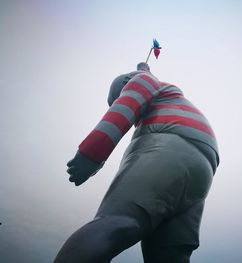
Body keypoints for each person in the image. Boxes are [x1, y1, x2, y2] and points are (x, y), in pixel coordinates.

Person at [54, 62, 219, 263]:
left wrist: (91, 154)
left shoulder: (143, 80)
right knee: (170, 252)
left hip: (166, 146)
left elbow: (127, 104)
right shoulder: (174, 100)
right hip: (203, 168)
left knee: (120, 221)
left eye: (118, 95)